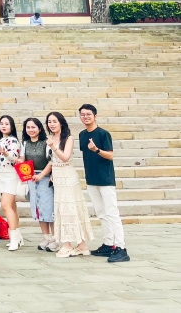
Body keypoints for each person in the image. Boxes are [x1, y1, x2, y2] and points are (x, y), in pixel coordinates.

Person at [78, 104, 129, 263]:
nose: (85, 117)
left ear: (95, 116)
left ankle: (121, 248)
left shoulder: (103, 134)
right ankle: (108, 244)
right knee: (101, 213)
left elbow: (110, 155)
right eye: (82, 114)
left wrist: (96, 150)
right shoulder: (82, 135)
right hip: (91, 179)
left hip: (105, 180)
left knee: (112, 213)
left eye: (88, 114)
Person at [47, 111, 94, 258]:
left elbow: (65, 157)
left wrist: (53, 147)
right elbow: (53, 160)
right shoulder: (50, 138)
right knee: (62, 209)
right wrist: (52, 173)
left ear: (61, 123)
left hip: (68, 177)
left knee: (70, 209)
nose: (52, 124)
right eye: (49, 122)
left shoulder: (68, 138)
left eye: (54, 121)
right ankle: (81, 245)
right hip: (58, 177)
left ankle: (68, 245)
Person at [22, 117, 55, 251]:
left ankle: (55, 238)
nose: (31, 130)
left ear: (40, 128)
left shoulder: (46, 142)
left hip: (45, 177)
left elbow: (51, 161)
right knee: (38, 208)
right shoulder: (25, 143)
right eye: (28, 127)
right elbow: (23, 160)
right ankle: (46, 237)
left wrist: (41, 175)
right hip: (31, 178)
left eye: (33, 127)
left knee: (49, 208)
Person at [0, 115, 24, 251]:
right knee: (12, 206)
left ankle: (14, 238)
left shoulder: (13, 140)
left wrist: (6, 153)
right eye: (2, 123)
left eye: (7, 124)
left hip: (11, 175)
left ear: (12, 126)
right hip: (1, 175)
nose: (4, 126)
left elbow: (14, 157)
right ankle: (18, 236)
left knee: (5, 205)